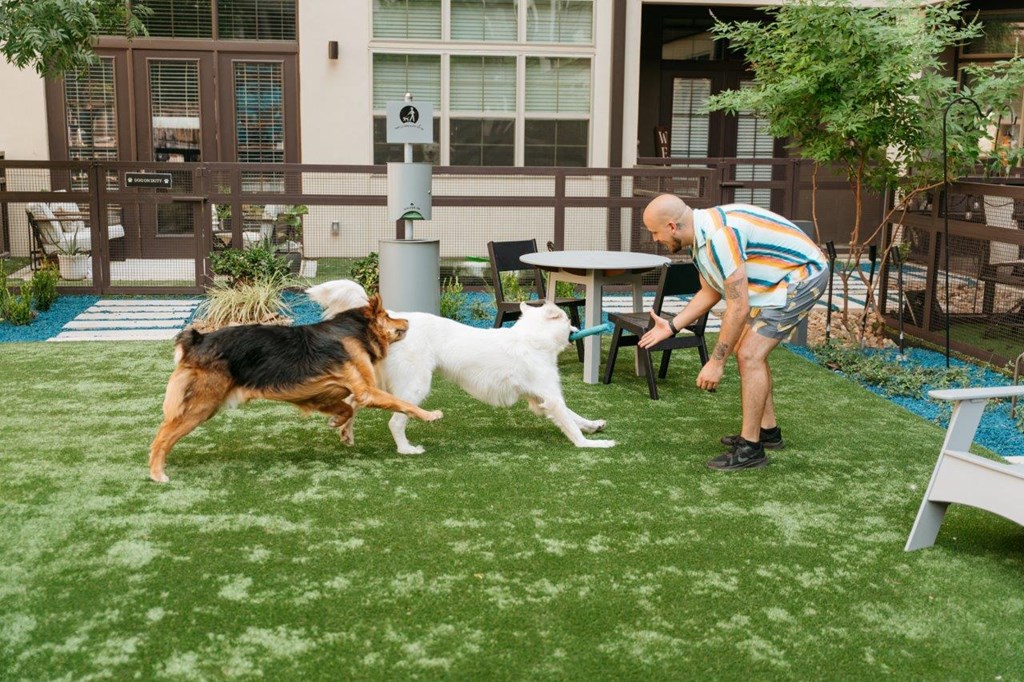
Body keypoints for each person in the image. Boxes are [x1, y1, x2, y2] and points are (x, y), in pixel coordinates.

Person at [639, 193, 828, 471]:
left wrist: (716, 363)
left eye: (654, 232)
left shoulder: (720, 237)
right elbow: (711, 291)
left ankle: (751, 449)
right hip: (779, 277)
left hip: (802, 276)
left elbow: (738, 306)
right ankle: (768, 432)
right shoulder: (698, 239)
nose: (654, 239)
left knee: (750, 355)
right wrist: (672, 325)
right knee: (749, 354)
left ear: (671, 226)